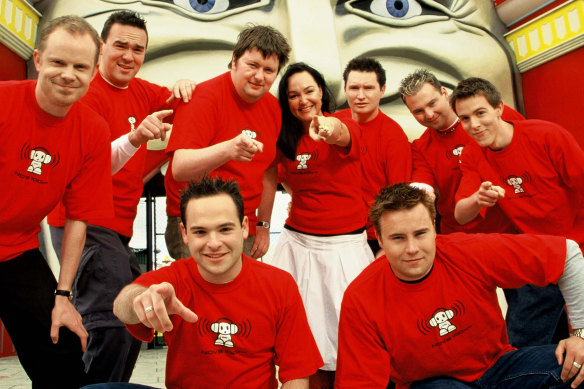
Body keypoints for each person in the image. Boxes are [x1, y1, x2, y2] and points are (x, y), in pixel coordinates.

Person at [46, 10, 196, 384]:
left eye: (138, 49)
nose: (129, 55)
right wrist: (135, 138)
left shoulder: (145, 93)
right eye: (120, 45)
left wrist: (184, 85)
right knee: (109, 322)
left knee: (134, 324)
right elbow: (92, 168)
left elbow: (194, 108)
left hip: (118, 230)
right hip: (83, 221)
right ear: (101, 48)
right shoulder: (85, 95)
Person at [335, 183, 584, 389]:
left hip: (499, 369)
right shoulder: (361, 297)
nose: (412, 249)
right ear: (379, 238)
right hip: (431, 384)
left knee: (580, 363)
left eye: (420, 233)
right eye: (398, 238)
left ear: (434, 227)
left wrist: (581, 334)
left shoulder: (467, 252)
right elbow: (358, 383)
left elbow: (567, 254)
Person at [107, 176, 323, 388]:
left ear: (244, 227)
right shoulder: (174, 280)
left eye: (225, 229)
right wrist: (140, 299)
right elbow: (122, 305)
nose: (213, 243)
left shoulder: (279, 285)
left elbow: (297, 373)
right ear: (184, 233)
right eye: (200, 232)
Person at [0, 15, 113, 388]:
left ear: (94, 71)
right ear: (37, 59)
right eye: (58, 62)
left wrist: (63, 296)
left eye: (80, 66)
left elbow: (79, 218)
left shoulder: (93, 131)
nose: (68, 74)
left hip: (17, 250)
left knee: (61, 350)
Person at [452, 77, 584, 348]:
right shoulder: (472, 154)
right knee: (521, 344)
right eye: (465, 118)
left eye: (480, 113)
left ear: (499, 108)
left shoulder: (546, 136)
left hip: (578, 248)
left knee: (579, 335)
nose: (474, 125)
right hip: (539, 256)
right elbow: (460, 215)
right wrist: (478, 199)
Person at [270, 62, 374, 389]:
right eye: (293, 95)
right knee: (304, 339)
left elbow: (341, 136)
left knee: (354, 336)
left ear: (322, 93)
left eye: (309, 91)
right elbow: (273, 179)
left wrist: (328, 129)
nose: (303, 100)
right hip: (298, 246)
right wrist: (260, 223)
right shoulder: (283, 137)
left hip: (347, 248)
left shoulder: (343, 123)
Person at [164, 24, 291, 260]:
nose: (259, 76)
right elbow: (180, 168)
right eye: (252, 65)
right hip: (198, 223)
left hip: (245, 224)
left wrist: (263, 224)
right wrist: (228, 149)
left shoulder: (273, 107)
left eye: (268, 70)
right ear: (234, 61)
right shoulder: (202, 98)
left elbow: (269, 169)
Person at [399, 69, 524, 234]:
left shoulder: (493, 114)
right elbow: (422, 187)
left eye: (432, 103)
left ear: (444, 93)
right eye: (418, 111)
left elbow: (529, 152)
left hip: (510, 227)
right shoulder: (420, 147)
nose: (429, 114)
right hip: (459, 234)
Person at [336, 56, 411, 255]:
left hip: (373, 237)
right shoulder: (332, 124)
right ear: (345, 89)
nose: (360, 95)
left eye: (368, 88)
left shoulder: (393, 136)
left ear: (382, 90)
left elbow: (399, 199)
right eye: (354, 88)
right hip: (333, 232)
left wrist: (388, 243)